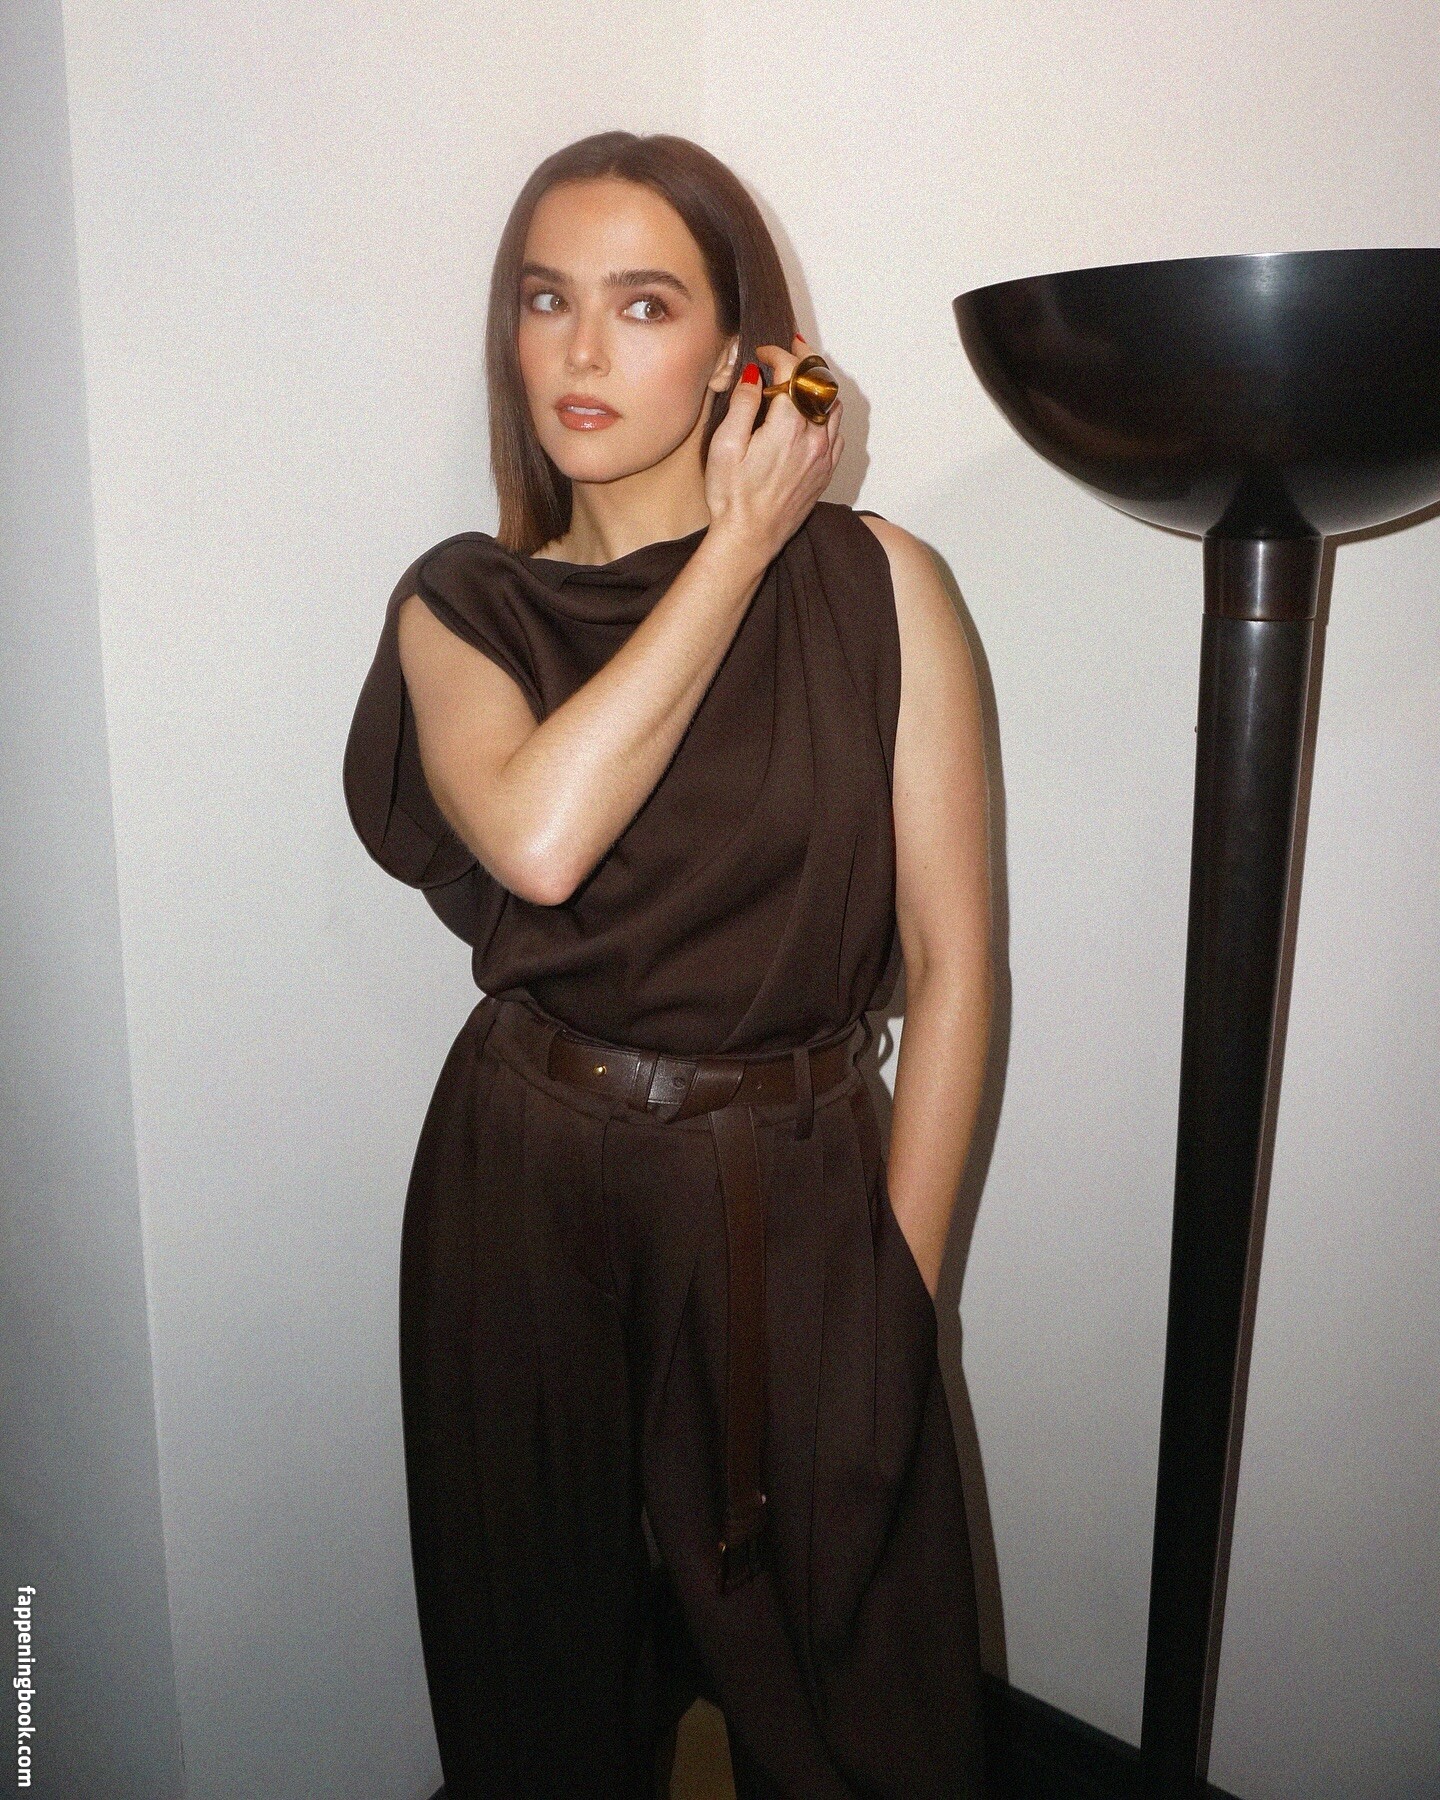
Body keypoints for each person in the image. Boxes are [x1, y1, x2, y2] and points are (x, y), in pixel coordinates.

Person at [344, 130, 992, 1799]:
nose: (580, 347)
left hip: (795, 1189)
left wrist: (900, 1295)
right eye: (544, 299)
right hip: (523, 1184)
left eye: (643, 305)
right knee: (539, 1684)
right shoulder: (463, 606)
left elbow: (955, 964)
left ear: (734, 355)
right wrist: (734, 549)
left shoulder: (883, 588)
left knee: (858, 1695)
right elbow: (541, 839)